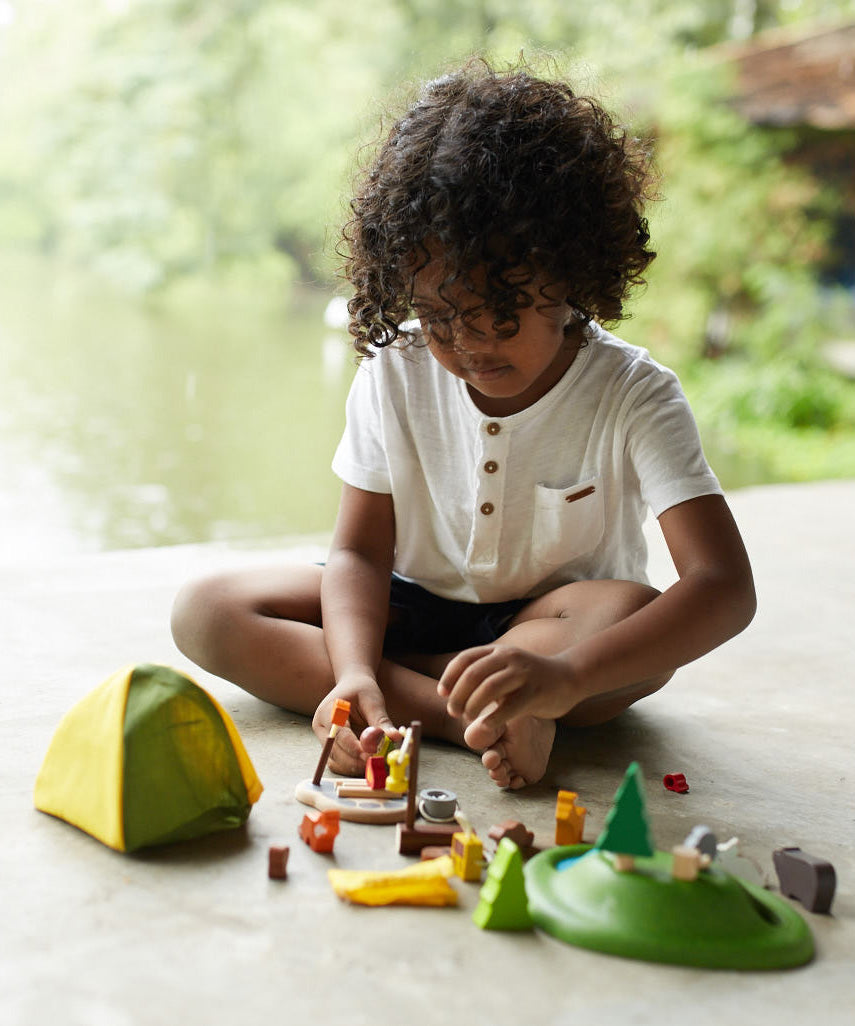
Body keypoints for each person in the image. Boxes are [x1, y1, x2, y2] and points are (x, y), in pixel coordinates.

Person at [170, 59, 756, 790]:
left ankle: (506, 694)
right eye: (442, 318)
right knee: (207, 611)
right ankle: (462, 712)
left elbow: (722, 586)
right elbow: (356, 556)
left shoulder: (633, 393)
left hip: (550, 628)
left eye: (497, 318)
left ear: (571, 274)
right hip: (405, 604)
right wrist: (352, 669)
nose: (468, 346)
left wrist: (564, 674)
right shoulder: (395, 369)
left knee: (633, 620)